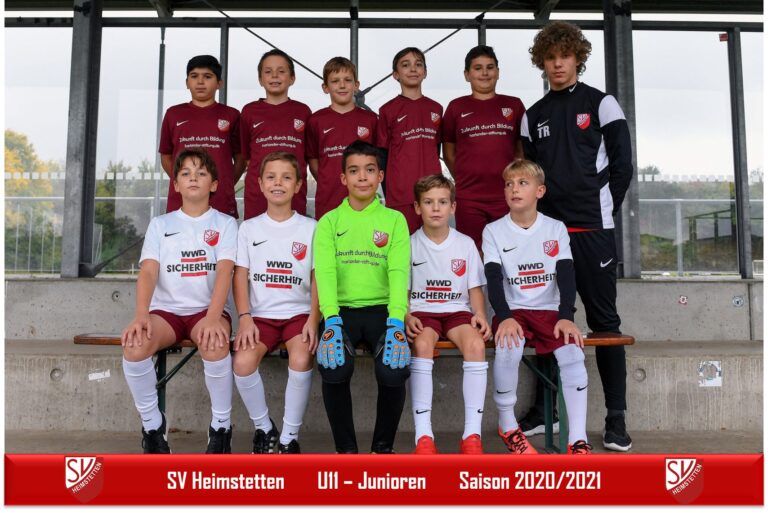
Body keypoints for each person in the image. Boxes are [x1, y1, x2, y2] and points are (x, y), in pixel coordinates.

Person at [521, 21, 634, 452]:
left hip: (593, 231)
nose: (558, 64)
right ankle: (544, 409)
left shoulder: (602, 103)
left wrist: (600, 208)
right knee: (545, 319)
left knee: (605, 323)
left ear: (577, 59)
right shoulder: (533, 116)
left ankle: (616, 418)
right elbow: (532, 177)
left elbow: (622, 167)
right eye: (550, 58)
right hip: (549, 236)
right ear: (542, 62)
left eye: (565, 56)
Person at [121, 149, 237, 454]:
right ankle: (152, 426)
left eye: (201, 173)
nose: (193, 178)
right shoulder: (160, 224)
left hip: (207, 312)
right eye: (185, 173)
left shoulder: (226, 224)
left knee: (214, 343)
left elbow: (225, 272)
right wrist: (141, 314)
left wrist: (214, 317)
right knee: (134, 346)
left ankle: (221, 427)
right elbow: (148, 272)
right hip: (166, 313)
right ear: (176, 185)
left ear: (214, 184)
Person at [483, 159, 592, 456]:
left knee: (572, 352)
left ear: (539, 191)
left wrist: (566, 316)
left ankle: (577, 439)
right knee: (508, 346)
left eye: (522, 183)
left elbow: (566, 274)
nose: (514, 189)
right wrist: (504, 316)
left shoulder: (555, 228)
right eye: (509, 184)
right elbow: (493, 277)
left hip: (550, 310)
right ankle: (508, 426)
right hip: (513, 311)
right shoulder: (493, 230)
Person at [312, 140, 410, 454]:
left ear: (381, 176)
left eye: (369, 170)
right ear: (343, 178)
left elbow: (399, 273)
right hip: (341, 312)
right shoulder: (329, 222)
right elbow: (325, 273)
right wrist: (330, 319)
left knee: (394, 370)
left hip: (383, 310)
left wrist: (397, 320)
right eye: (354, 171)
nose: (362, 177)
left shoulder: (394, 220)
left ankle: (382, 449)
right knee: (334, 368)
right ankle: (346, 451)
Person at [232, 152, 318, 454]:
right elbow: (240, 276)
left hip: (299, 315)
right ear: (259, 184)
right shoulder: (249, 228)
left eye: (286, 177)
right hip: (260, 317)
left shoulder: (311, 227)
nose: (278, 183)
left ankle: (289, 438)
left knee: (301, 358)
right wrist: (245, 317)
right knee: (242, 363)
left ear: (298, 185)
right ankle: (265, 429)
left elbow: (318, 277)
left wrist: (313, 318)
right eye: (271, 177)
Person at [406, 174, 491, 454]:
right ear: (417, 207)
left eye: (442, 202)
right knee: (422, 344)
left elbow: (475, 288)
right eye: (428, 202)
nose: (436, 208)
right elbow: (402, 290)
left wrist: (480, 314)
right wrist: (406, 315)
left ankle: (472, 435)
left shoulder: (465, 243)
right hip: (423, 312)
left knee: (476, 344)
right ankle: (424, 436)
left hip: (456, 311)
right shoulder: (409, 244)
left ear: (453, 207)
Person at [441, 45, 526, 248]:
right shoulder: (456, 107)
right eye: (478, 68)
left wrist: (516, 181)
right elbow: (449, 152)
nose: (485, 73)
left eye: (490, 67)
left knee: (510, 250)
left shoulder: (514, 105)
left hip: (507, 195)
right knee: (473, 252)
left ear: (498, 72)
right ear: (467, 75)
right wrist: (465, 178)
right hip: (469, 197)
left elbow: (521, 150)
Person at [159, 55, 244, 218]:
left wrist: (221, 184)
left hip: (221, 201)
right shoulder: (173, 114)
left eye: (207, 76)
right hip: (181, 202)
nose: (200, 82)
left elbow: (240, 159)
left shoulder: (232, 115)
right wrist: (183, 181)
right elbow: (166, 156)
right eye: (194, 76)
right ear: (187, 82)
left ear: (219, 83)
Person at [376, 47, 443, 233]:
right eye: (406, 65)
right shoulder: (387, 110)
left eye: (418, 64)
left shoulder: (436, 108)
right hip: (401, 194)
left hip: (433, 192)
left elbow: (436, 149)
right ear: (395, 75)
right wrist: (389, 191)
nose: (413, 69)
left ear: (425, 72)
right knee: (404, 245)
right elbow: (382, 155)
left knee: (433, 244)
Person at [240, 49, 312, 219]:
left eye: (281, 71)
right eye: (268, 71)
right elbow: (246, 157)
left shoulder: (303, 112)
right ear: (260, 79)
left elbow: (308, 156)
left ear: (292, 78)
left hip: (293, 195)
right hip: (258, 196)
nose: (274, 76)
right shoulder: (249, 111)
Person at [306, 57, 378, 219]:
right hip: (328, 201)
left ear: (356, 85)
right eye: (335, 81)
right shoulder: (316, 120)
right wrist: (328, 180)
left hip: (364, 201)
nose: (342, 85)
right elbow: (313, 161)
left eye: (347, 80)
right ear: (325, 87)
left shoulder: (370, 119)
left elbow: (377, 160)